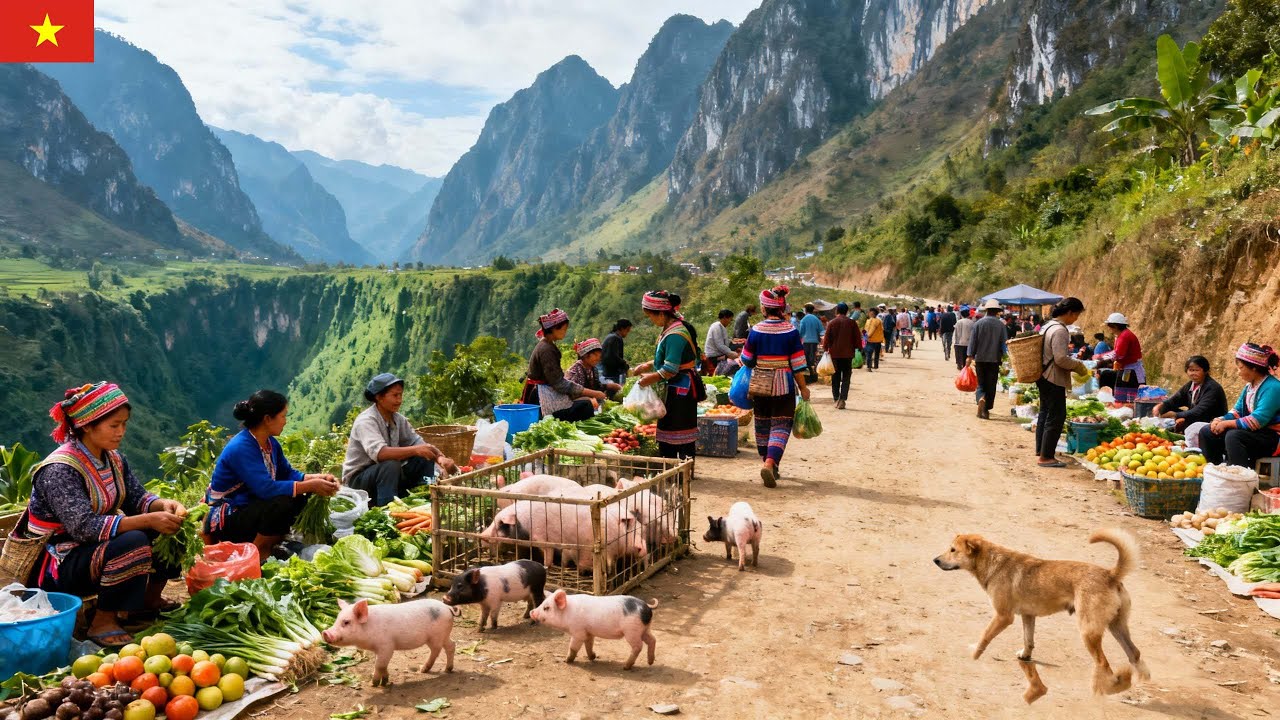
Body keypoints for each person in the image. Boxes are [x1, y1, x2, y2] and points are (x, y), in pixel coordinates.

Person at [27, 382, 187, 646]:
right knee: (134, 540)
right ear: (87, 425)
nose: (121, 432)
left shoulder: (113, 459)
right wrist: (148, 520)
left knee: (170, 529)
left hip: (92, 548)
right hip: (59, 561)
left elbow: (138, 498)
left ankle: (148, 600)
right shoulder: (59, 469)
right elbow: (84, 527)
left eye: (124, 424)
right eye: (114, 425)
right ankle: (102, 621)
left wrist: (165, 506)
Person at [206, 390, 340, 556]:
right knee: (282, 502)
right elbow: (265, 489)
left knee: (300, 496)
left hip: (250, 507)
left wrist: (319, 478)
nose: (285, 421)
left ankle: (274, 544)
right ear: (268, 419)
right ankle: (259, 552)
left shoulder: (271, 444)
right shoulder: (242, 447)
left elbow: (288, 474)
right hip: (229, 516)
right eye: (283, 416)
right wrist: (311, 485)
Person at [342, 374, 459, 507]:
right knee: (391, 464)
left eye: (400, 395)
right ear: (379, 397)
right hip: (360, 481)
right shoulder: (366, 421)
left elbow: (419, 443)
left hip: (388, 475)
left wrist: (439, 458)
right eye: (395, 395)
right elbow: (380, 454)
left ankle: (427, 497)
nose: (399, 400)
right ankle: (388, 509)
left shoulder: (398, 419)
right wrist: (416, 450)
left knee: (422, 457)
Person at [741, 286, 810, 487]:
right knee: (781, 425)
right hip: (784, 385)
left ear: (764, 309)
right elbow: (798, 365)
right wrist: (804, 388)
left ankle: (766, 461)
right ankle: (771, 463)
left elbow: (746, 359)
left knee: (762, 424)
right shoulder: (790, 331)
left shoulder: (755, 330)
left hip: (761, 384)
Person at [633, 291, 699, 460]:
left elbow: (670, 369)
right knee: (672, 429)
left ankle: (679, 471)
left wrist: (648, 379)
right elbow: (668, 357)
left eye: (650, 316)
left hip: (680, 388)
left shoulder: (675, 334)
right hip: (677, 386)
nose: (651, 320)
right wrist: (647, 365)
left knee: (677, 429)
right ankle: (674, 470)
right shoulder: (670, 329)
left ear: (661, 313)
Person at [1199, 344, 1280, 469]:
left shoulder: (1273, 387)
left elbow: (1257, 420)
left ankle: (1239, 476)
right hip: (1257, 433)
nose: (1238, 372)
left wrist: (1227, 424)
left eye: (1241, 368)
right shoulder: (1249, 387)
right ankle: (1216, 470)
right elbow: (1237, 411)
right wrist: (1220, 419)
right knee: (1207, 431)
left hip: (1272, 437)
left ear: (1253, 368)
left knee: (1234, 436)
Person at [520, 308, 607, 421]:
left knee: (585, 404)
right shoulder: (547, 349)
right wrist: (593, 393)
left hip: (545, 391)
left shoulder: (547, 345)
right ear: (554, 329)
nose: (565, 332)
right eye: (564, 329)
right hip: (540, 396)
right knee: (586, 406)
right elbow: (559, 384)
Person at [1036, 298, 1089, 468]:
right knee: (1057, 416)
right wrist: (1078, 366)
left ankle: (1041, 450)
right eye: (1076, 315)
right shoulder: (1060, 330)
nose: (1076, 319)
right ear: (1069, 313)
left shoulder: (1047, 326)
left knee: (1045, 413)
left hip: (1043, 376)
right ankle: (1046, 457)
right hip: (1053, 377)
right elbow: (1060, 359)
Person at [1157, 356, 1228, 433]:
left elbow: (1199, 411)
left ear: (1205, 371)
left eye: (1197, 370)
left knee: (1178, 415)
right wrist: (1161, 406)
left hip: (1209, 422)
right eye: (1191, 370)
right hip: (1196, 418)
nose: (1193, 373)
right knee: (1166, 408)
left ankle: (1183, 427)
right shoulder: (1191, 385)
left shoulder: (1212, 388)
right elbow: (1175, 399)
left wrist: (1176, 415)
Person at [967, 300, 1007, 419]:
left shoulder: (978, 324)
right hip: (994, 360)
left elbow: (973, 341)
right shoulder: (1001, 325)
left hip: (980, 359)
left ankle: (981, 397)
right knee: (991, 384)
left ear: (987, 310)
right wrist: (1006, 357)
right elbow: (1004, 344)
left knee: (981, 383)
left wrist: (969, 356)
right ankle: (986, 409)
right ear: (997, 312)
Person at [821, 302, 862, 409]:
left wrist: (826, 349)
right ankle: (842, 399)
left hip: (834, 355)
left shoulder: (832, 322)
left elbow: (826, 339)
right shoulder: (852, 323)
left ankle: (836, 399)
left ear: (837, 311)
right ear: (847, 311)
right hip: (848, 355)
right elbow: (858, 338)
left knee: (835, 376)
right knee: (846, 377)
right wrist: (859, 349)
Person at [1101, 313, 1144, 404]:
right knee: (1126, 396)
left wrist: (1102, 360)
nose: (1110, 330)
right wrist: (1102, 357)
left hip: (1131, 370)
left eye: (1110, 327)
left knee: (1126, 398)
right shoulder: (1122, 335)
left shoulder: (1124, 336)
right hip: (1128, 368)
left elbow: (1119, 354)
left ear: (1115, 326)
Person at [705, 309, 740, 375]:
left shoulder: (720, 326)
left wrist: (732, 341)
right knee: (735, 364)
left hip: (720, 353)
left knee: (737, 349)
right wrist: (730, 353)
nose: (730, 322)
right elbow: (719, 345)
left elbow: (723, 340)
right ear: (724, 318)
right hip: (714, 357)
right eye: (730, 319)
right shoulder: (716, 327)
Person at [600, 319, 633, 386]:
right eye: (627, 330)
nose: (627, 333)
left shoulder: (611, 336)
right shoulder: (615, 338)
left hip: (606, 370)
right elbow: (613, 356)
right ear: (621, 328)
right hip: (611, 372)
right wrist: (624, 364)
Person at [798, 304, 824, 383]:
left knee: (806, 359)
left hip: (806, 342)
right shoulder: (816, 319)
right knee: (813, 358)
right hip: (815, 342)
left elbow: (801, 332)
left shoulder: (804, 319)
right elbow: (821, 331)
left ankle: (808, 376)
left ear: (805, 310)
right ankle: (813, 375)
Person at [953, 307, 975, 371]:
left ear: (961, 315)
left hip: (958, 343)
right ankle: (965, 369)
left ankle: (960, 367)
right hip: (968, 344)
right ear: (968, 315)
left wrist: (954, 342)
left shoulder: (958, 322)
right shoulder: (972, 323)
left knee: (959, 357)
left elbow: (955, 332)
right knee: (965, 358)